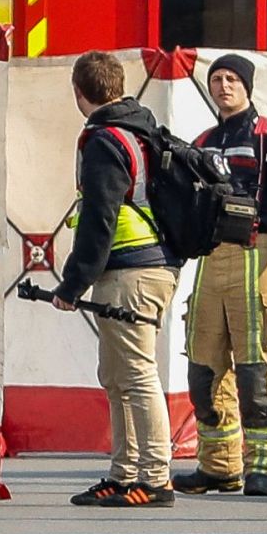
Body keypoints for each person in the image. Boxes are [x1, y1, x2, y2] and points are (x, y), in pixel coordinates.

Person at [175, 54, 267, 498]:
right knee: (203, 369)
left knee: (256, 371)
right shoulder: (203, 141)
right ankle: (218, 467)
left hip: (261, 256)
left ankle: (262, 466)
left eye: (232, 78)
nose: (223, 85)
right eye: (216, 79)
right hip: (212, 261)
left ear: (247, 86)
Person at [53, 51, 180, 508]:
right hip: (147, 266)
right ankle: (125, 474)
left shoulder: (106, 140)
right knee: (116, 374)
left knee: (138, 374)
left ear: (78, 91)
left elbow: (99, 218)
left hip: (132, 269)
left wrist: (72, 285)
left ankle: (155, 477)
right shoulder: (141, 129)